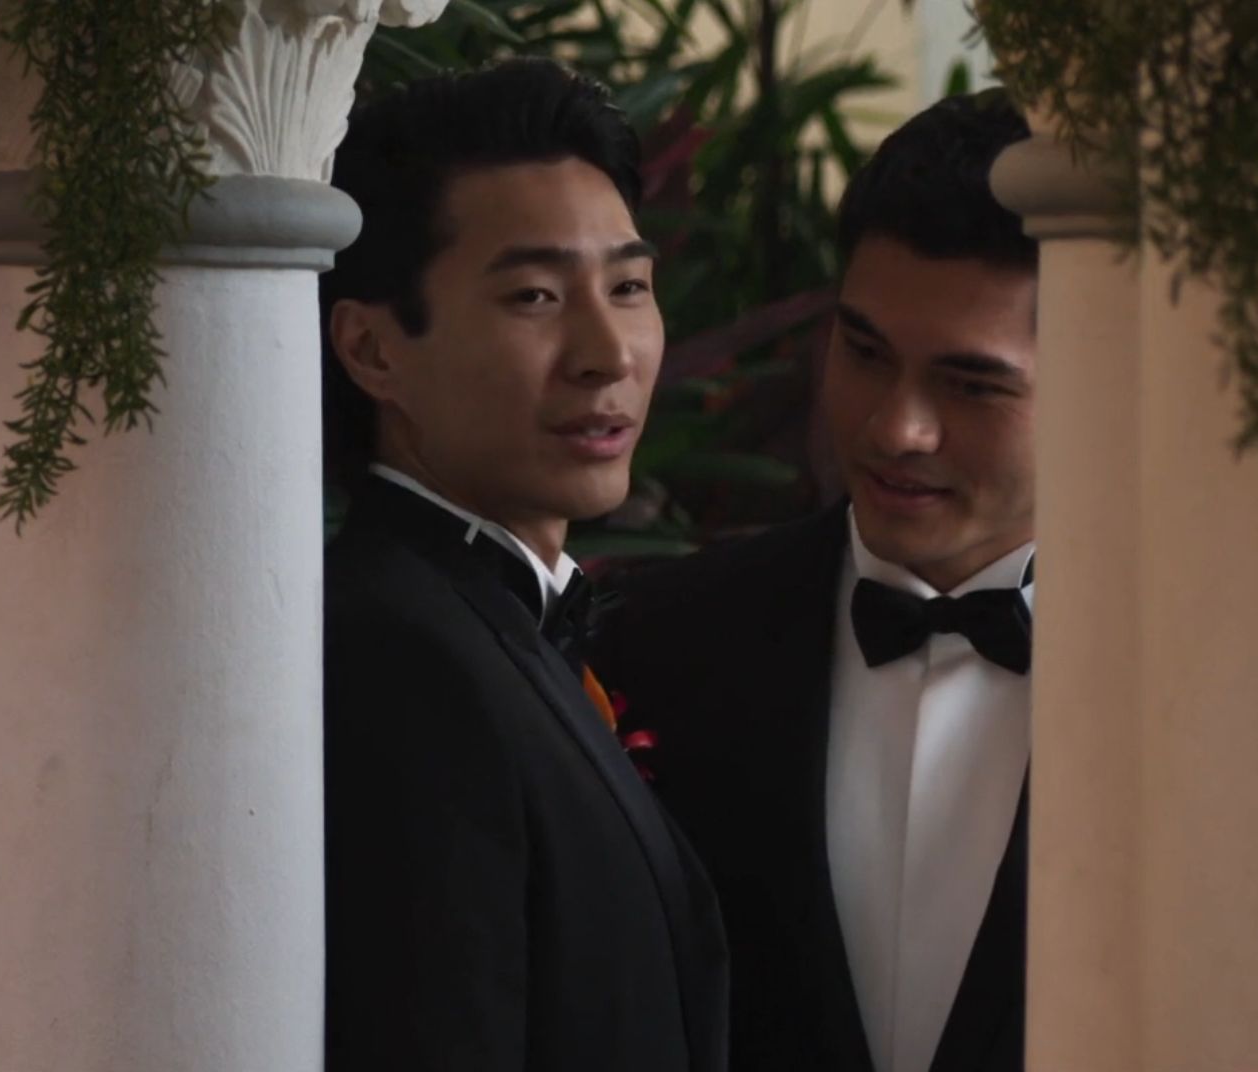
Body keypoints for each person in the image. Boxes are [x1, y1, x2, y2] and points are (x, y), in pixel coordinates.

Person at [592, 90, 1037, 1072]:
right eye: (864, 352)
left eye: (971, 384)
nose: (894, 428)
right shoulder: (656, 646)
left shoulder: (1197, 690)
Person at [319, 58, 728, 1072]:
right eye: (535, 296)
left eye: (628, 287)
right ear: (372, 350)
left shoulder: (493, 622)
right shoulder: (397, 656)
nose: (607, 353)